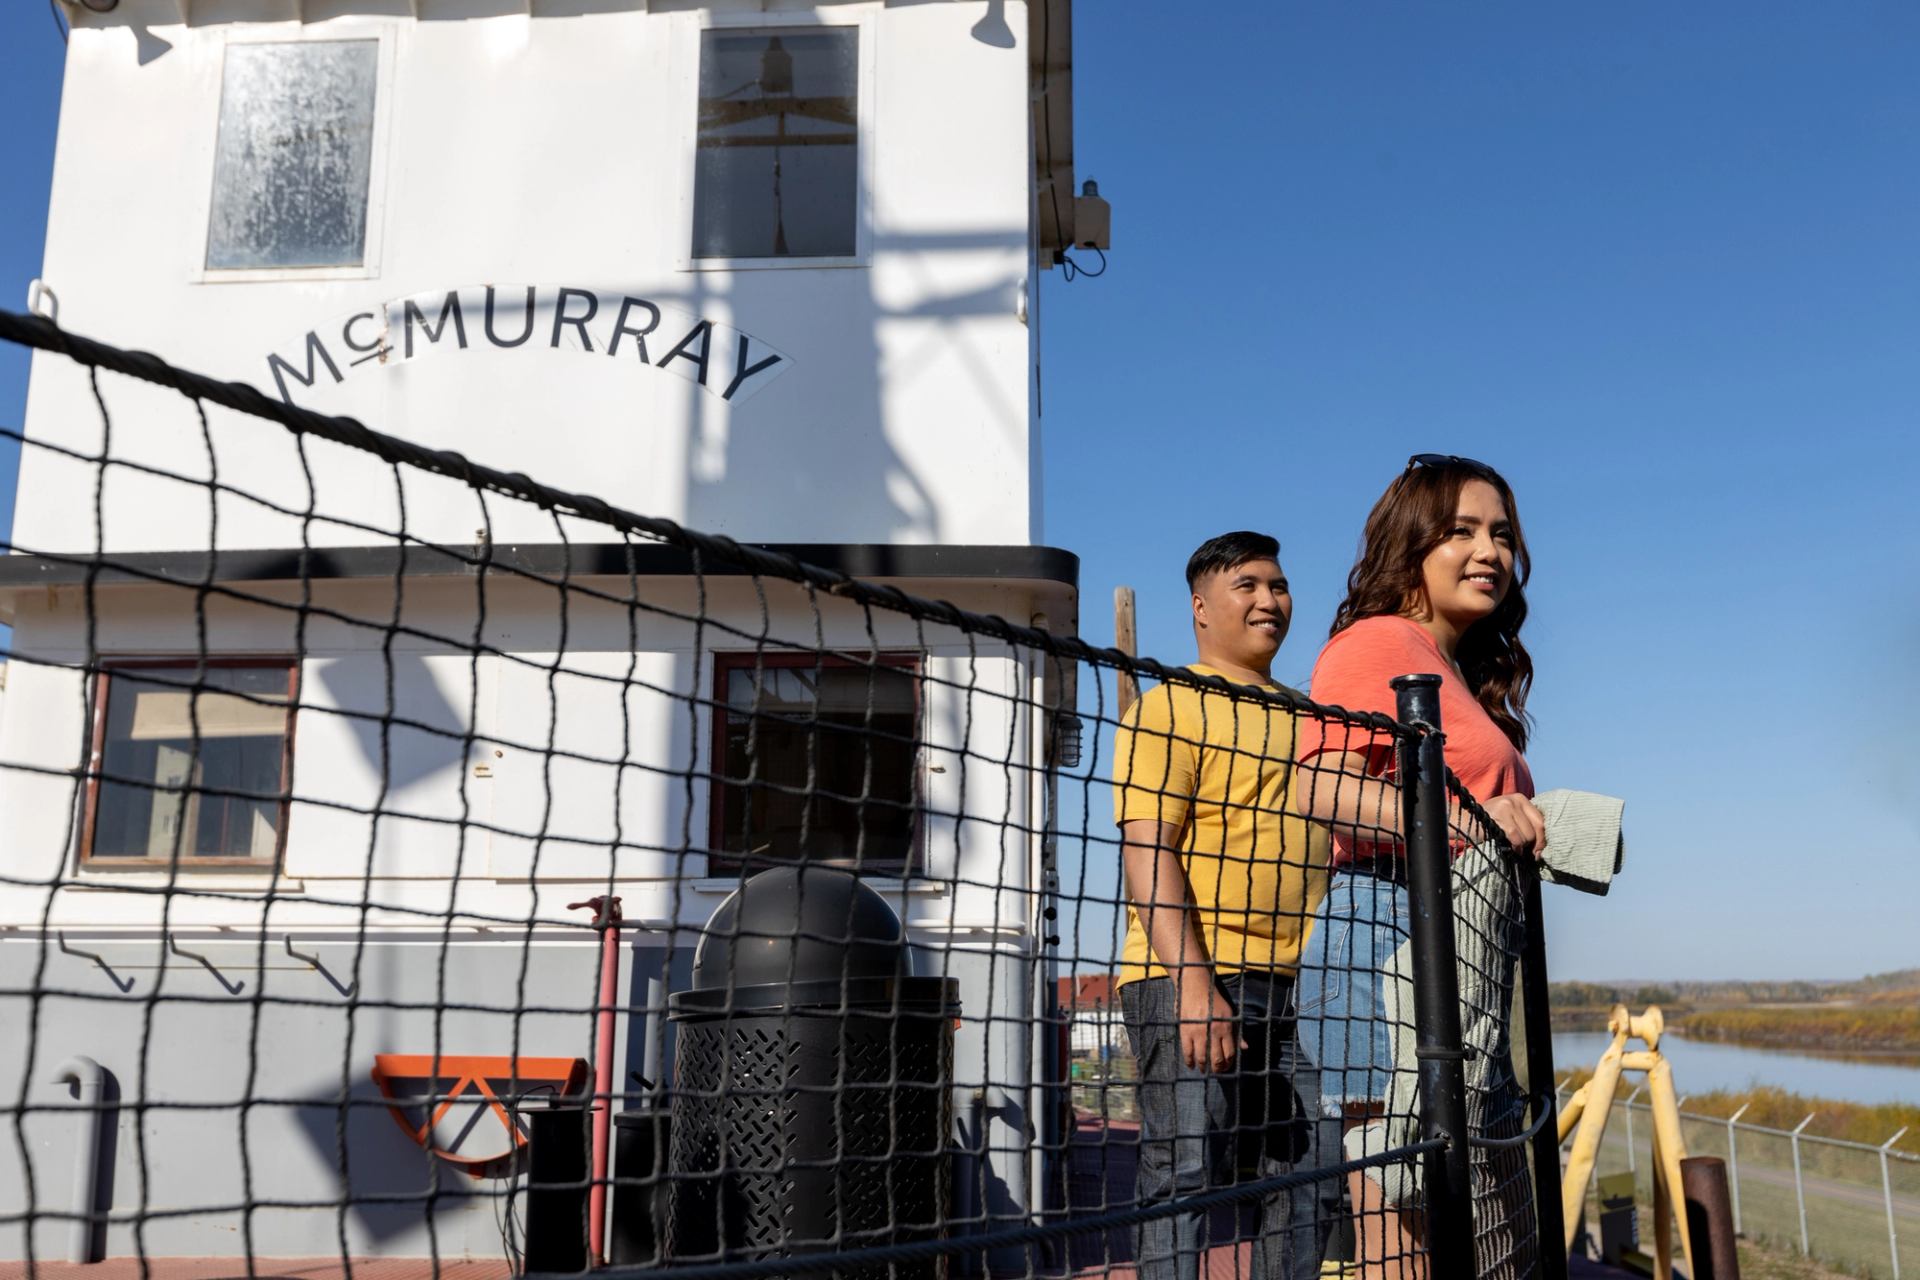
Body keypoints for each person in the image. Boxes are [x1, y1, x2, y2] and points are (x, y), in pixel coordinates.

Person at [1291, 456, 1548, 1278]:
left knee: (1496, 1229)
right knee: (1399, 1242)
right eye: (1463, 531)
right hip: (1382, 944)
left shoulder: (1460, 675)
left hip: (1465, 962)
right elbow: (1321, 785)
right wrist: (1468, 817)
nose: (1490, 551)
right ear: (1412, 546)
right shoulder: (1379, 643)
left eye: (1502, 534)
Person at [1111, 531, 1334, 1280]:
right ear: (1202, 608)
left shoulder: (1313, 716)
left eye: (1279, 584)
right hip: (1192, 979)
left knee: (1310, 1171)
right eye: (1249, 585)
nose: (1271, 599)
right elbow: (1148, 849)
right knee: (1184, 1173)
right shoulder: (1169, 705)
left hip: (1302, 989)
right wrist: (1194, 985)